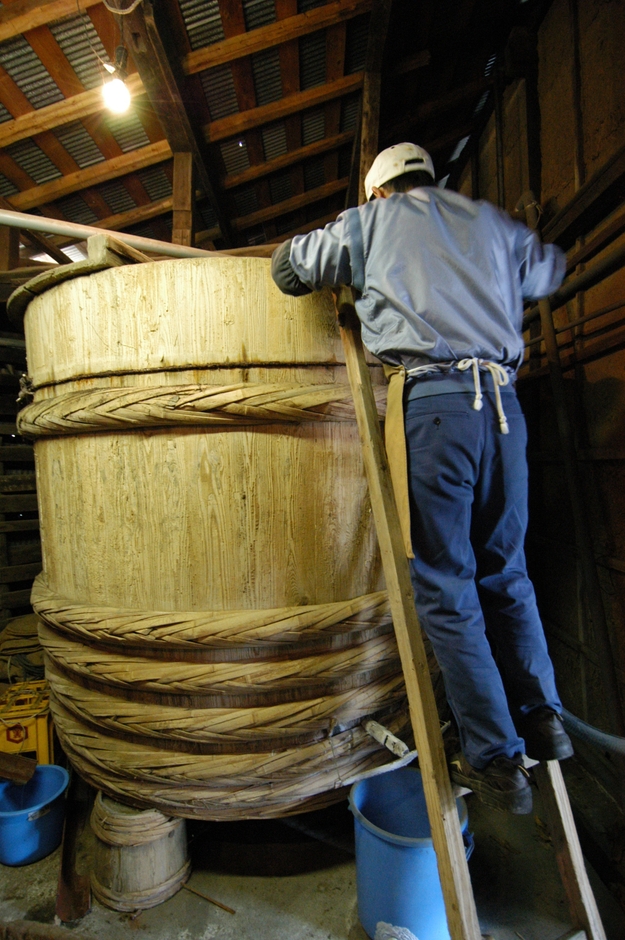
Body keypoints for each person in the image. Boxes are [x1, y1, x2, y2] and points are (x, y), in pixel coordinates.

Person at [271, 142, 573, 814]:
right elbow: (548, 270)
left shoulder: (369, 223)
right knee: (507, 572)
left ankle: (495, 757)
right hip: (504, 410)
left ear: (379, 189)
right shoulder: (489, 222)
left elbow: (288, 270)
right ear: (430, 179)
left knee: (443, 584)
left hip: (434, 409)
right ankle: (543, 718)